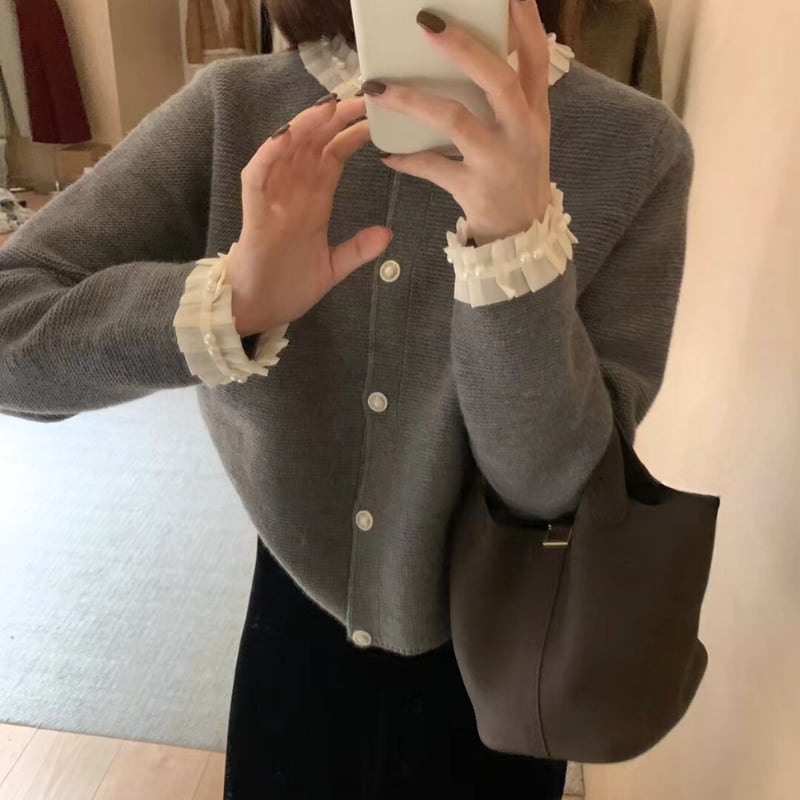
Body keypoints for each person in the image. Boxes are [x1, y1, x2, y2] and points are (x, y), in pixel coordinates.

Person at [0, 0, 694, 797]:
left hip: (518, 641)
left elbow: (556, 489)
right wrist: (232, 303)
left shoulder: (638, 146)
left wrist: (516, 245)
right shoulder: (236, 108)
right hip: (293, 627)